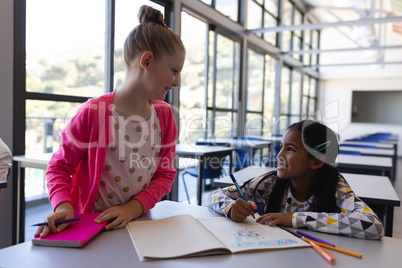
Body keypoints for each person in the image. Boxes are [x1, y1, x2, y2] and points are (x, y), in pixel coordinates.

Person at [35, 5, 185, 238]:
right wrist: (64, 205)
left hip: (140, 226)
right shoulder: (92, 113)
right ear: (146, 61)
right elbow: (60, 167)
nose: (176, 82)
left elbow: (165, 175)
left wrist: (133, 208)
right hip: (93, 229)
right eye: (174, 71)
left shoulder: (165, 116)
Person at [208, 120, 384, 240]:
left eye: (290, 149)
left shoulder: (336, 188)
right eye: (281, 147)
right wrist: (230, 208)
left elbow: (372, 225)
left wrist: (294, 219)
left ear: (316, 161)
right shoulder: (271, 182)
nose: (279, 155)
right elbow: (215, 194)